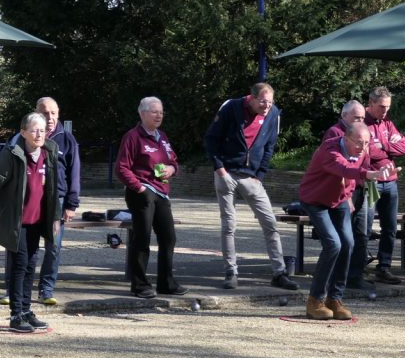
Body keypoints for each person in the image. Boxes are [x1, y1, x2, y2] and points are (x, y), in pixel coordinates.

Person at [204, 82, 298, 291]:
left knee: (269, 223)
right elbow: (211, 138)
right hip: (227, 172)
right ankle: (231, 271)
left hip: (252, 177)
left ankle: (279, 273)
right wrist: (219, 169)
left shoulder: (273, 114)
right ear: (252, 98)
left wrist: (260, 174)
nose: (266, 106)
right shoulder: (231, 108)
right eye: (263, 101)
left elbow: (270, 145)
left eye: (270, 102)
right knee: (229, 225)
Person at [0, 113, 61, 332]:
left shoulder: (49, 152)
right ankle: (16, 315)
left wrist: (55, 217)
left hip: (37, 220)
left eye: (42, 130)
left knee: (31, 264)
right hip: (17, 220)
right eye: (34, 130)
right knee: (20, 264)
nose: (39, 134)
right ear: (23, 133)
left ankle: (25, 309)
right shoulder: (12, 154)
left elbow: (52, 189)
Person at [299, 122, 390, 320]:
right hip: (315, 200)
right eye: (359, 143)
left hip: (338, 199)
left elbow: (356, 176)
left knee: (348, 244)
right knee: (333, 244)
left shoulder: (363, 150)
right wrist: (368, 174)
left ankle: (335, 298)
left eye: (366, 143)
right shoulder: (329, 149)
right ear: (345, 138)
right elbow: (345, 169)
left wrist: (386, 168)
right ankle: (315, 300)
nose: (363, 147)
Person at [116, 97, 188, 298]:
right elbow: (121, 167)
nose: (159, 116)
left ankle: (166, 282)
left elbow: (173, 160)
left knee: (168, 238)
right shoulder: (132, 137)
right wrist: (138, 187)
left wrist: (171, 169)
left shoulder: (162, 137)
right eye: (154, 112)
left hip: (161, 191)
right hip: (143, 192)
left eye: (161, 112)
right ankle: (140, 284)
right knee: (142, 237)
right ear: (142, 114)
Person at [323, 100, 374, 290]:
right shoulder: (336, 134)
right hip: (345, 191)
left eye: (363, 117)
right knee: (344, 236)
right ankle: (337, 278)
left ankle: (355, 275)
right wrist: (347, 196)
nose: (361, 120)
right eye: (357, 117)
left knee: (362, 232)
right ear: (344, 116)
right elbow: (338, 168)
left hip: (362, 186)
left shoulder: (362, 132)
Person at [363, 86, 405, 285]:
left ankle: (384, 267)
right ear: (370, 103)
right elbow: (367, 152)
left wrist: (384, 145)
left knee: (389, 227)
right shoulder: (360, 122)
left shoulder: (387, 123)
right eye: (381, 106)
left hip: (390, 182)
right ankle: (359, 266)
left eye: (387, 107)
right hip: (371, 182)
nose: (385, 111)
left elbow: (404, 147)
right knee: (364, 226)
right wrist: (385, 149)